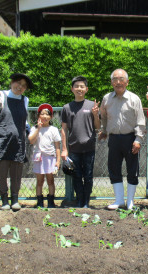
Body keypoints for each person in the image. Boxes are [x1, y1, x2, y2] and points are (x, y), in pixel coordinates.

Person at [99, 69, 146, 210]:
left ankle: (130, 202)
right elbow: (104, 116)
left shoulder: (134, 98)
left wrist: (138, 139)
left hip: (131, 139)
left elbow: (141, 121)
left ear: (127, 82)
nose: (118, 82)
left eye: (121, 79)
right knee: (114, 168)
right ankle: (119, 200)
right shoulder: (106, 98)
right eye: (115, 79)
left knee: (132, 170)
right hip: (113, 139)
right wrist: (104, 130)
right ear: (111, 82)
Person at [0, 73, 33, 211]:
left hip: (18, 140)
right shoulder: (0, 95)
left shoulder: (25, 100)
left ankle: (15, 199)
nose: (20, 87)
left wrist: (30, 132)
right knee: (1, 170)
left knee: (16, 171)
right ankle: (4, 199)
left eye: (24, 86)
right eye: (18, 83)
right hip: (1, 140)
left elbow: (24, 120)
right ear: (12, 82)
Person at [61, 76, 100, 208]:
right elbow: (63, 129)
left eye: (82, 86)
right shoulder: (67, 107)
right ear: (72, 89)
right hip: (73, 149)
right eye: (76, 86)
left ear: (86, 89)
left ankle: (86, 201)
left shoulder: (91, 106)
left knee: (88, 176)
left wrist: (95, 114)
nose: (79, 89)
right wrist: (64, 149)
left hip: (89, 148)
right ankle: (79, 200)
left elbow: (97, 126)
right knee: (76, 176)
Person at [28, 103, 61, 208]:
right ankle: (40, 202)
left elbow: (57, 147)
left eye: (47, 114)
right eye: (42, 114)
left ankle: (51, 201)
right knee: (40, 180)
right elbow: (31, 141)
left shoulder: (54, 129)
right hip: (39, 157)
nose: (45, 117)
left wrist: (58, 161)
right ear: (38, 116)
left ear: (51, 117)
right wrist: (38, 128)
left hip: (50, 158)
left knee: (50, 180)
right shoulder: (34, 129)